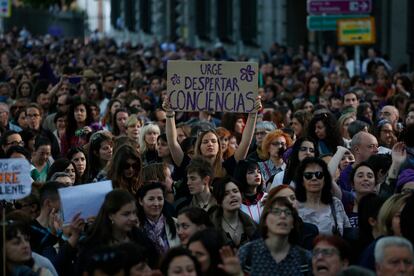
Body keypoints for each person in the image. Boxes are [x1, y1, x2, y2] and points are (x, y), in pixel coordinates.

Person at [78, 189, 159, 272]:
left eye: (134, 213)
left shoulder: (138, 236)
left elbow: (154, 260)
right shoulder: (93, 245)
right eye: (126, 214)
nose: (133, 218)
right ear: (111, 215)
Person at [238, 197, 312, 275]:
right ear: (265, 220)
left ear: (293, 223)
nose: (283, 216)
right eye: (276, 212)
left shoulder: (304, 259)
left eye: (288, 212)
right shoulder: (247, 254)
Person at [295, 157, 350, 235]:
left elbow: (348, 233)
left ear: (325, 179)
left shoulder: (336, 203)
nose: (314, 178)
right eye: (308, 175)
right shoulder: (294, 207)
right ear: (302, 181)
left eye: (319, 175)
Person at [210, 176, 258, 248]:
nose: (232, 195)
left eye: (235, 191)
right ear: (219, 201)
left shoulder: (253, 226)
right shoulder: (210, 226)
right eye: (226, 193)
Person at [137, 182, 180, 256]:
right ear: (141, 201)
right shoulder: (135, 227)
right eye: (151, 199)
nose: (156, 204)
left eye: (160, 199)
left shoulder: (176, 224)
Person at [233, 159, 266, 224]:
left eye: (258, 171)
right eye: (251, 172)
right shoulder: (236, 202)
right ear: (241, 176)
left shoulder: (266, 198)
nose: (257, 174)